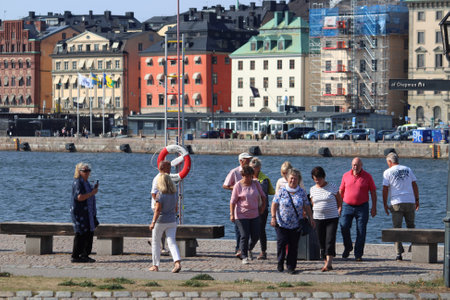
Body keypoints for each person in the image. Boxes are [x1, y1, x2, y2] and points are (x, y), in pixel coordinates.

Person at [271, 168, 314, 274]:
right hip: (282, 223)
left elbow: (307, 206)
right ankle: (280, 263)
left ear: (298, 180)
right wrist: (273, 217)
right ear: (288, 178)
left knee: (293, 246)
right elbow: (274, 204)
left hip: (296, 224)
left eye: (295, 179)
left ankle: (291, 266)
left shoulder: (301, 192)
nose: (293, 180)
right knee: (281, 244)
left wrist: (311, 218)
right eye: (291, 178)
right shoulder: (282, 190)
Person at [382, 152, 420, 261]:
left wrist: (384, 204)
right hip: (410, 200)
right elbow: (414, 185)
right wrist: (417, 200)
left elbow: (385, 189)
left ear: (390, 162)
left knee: (397, 228)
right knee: (411, 226)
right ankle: (415, 249)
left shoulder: (387, 172)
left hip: (396, 202)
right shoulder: (408, 169)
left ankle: (399, 253)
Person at [339, 157, 377, 261]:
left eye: (357, 165)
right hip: (347, 206)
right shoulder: (345, 175)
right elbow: (341, 191)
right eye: (353, 165)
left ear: (361, 166)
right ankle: (348, 247)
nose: (355, 167)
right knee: (344, 226)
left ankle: (358, 254)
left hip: (362, 207)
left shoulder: (368, 176)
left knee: (361, 230)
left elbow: (373, 192)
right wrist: (339, 206)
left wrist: (374, 207)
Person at [230, 165, 266, 265]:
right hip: (241, 215)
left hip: (254, 214)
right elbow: (232, 201)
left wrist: (262, 207)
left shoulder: (256, 184)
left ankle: (248, 249)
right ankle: (244, 256)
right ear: (243, 176)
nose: (248, 178)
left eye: (250, 176)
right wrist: (232, 214)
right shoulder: (238, 185)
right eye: (246, 176)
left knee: (256, 235)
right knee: (244, 235)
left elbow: (263, 196)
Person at [310, 166, 342, 272]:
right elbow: (312, 203)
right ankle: (326, 262)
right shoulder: (312, 189)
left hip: (332, 217)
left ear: (323, 177)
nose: (317, 181)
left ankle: (329, 263)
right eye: (315, 179)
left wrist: (339, 209)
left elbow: (339, 199)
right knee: (321, 241)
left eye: (319, 179)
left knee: (330, 239)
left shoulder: (332, 186)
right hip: (318, 218)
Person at [149, 174, 182, 273]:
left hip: (160, 220)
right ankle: (177, 262)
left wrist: (153, 222)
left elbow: (158, 210)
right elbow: (176, 209)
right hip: (172, 220)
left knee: (155, 242)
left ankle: (155, 265)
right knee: (172, 242)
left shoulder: (160, 194)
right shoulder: (175, 194)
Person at [223, 152, 253, 257]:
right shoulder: (234, 172)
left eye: (249, 159)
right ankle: (238, 248)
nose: (249, 161)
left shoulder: (251, 171)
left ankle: (244, 248)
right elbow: (225, 185)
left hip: (250, 204)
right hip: (237, 203)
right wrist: (237, 188)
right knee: (239, 228)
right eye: (247, 160)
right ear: (241, 161)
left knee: (249, 229)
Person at [70, 162, 99, 263]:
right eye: (84, 171)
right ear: (79, 172)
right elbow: (79, 197)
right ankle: (76, 256)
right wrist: (92, 193)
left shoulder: (86, 182)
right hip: (80, 213)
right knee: (80, 233)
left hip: (89, 213)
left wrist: (93, 189)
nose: (87, 173)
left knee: (89, 233)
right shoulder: (78, 182)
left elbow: (88, 195)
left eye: (88, 170)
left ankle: (85, 254)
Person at [249, 157, 275, 260]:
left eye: (254, 167)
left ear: (259, 168)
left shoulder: (263, 179)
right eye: (251, 167)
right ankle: (248, 249)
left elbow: (263, 194)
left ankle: (261, 251)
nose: (252, 169)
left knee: (260, 230)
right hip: (250, 208)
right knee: (251, 230)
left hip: (262, 208)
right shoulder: (248, 177)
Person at [150, 160, 172, 254]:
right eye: (168, 168)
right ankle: (160, 246)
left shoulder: (167, 177)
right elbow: (153, 193)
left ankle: (160, 245)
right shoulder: (158, 178)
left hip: (164, 205)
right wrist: (159, 203)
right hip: (158, 206)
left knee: (163, 226)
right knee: (160, 226)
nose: (170, 170)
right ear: (163, 168)